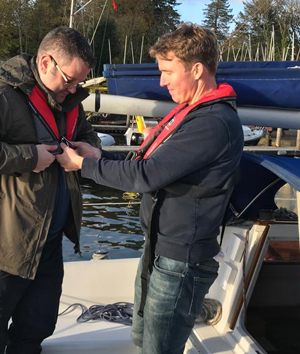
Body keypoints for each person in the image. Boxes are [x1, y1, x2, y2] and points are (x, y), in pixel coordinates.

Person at [55, 23, 243, 354]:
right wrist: (100, 155)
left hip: (180, 261)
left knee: (158, 348)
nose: (162, 81)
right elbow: (153, 164)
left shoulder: (211, 124)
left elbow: (146, 176)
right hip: (160, 250)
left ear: (197, 70)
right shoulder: (195, 114)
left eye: (168, 71)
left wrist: (83, 165)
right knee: (142, 339)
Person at [0, 26, 100, 354]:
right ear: (45, 63)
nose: (73, 89)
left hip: (48, 241)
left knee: (38, 325)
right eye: (69, 80)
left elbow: (88, 135)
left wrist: (89, 150)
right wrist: (29, 156)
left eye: (78, 83)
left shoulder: (70, 101)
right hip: (3, 239)